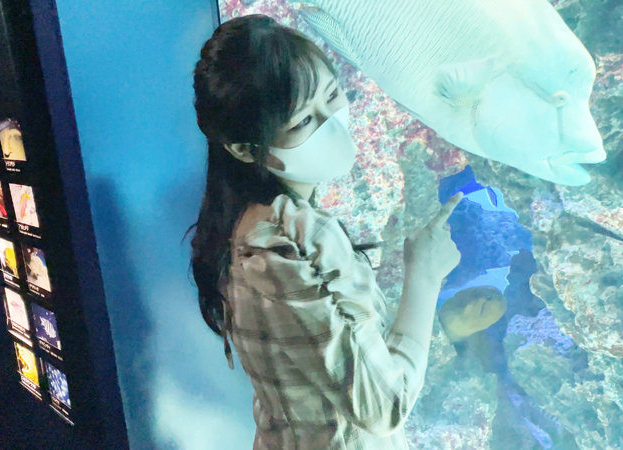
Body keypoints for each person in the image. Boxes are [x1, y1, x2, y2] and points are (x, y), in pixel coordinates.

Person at [189, 15, 463, 449]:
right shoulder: (289, 241)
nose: (332, 122)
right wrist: (424, 276)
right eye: (303, 122)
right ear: (244, 149)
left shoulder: (242, 225)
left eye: (333, 96)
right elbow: (383, 407)